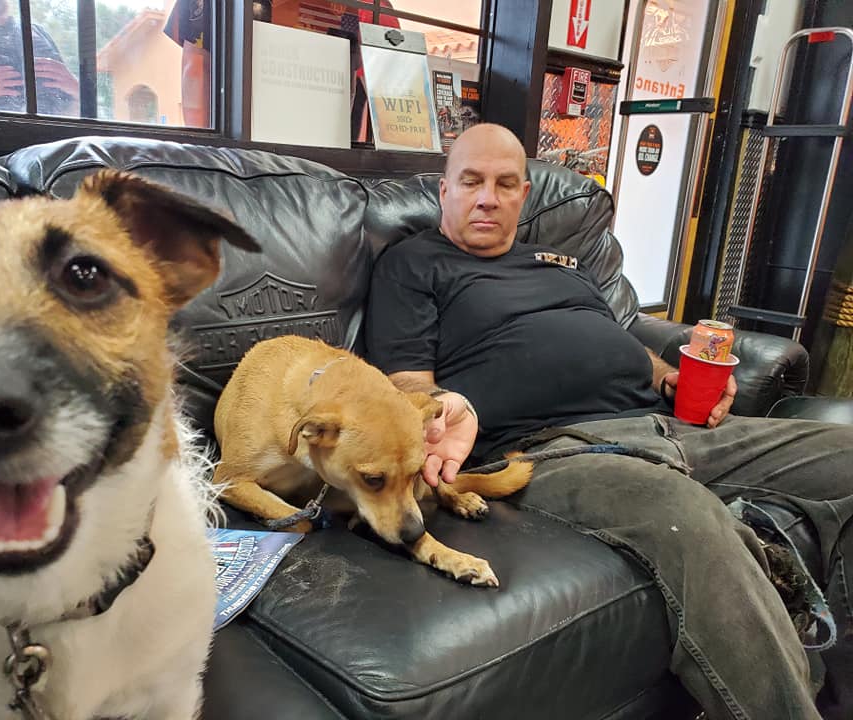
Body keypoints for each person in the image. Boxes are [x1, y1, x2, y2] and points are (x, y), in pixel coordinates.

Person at [364, 123, 853, 720]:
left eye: (505, 184)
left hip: (669, 423)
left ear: (524, 194)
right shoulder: (413, 264)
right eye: (471, 182)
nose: (487, 198)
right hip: (554, 450)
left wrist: (670, 376)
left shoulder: (560, 264)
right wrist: (447, 404)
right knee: (686, 518)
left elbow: (614, 338)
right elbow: (406, 385)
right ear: (445, 191)